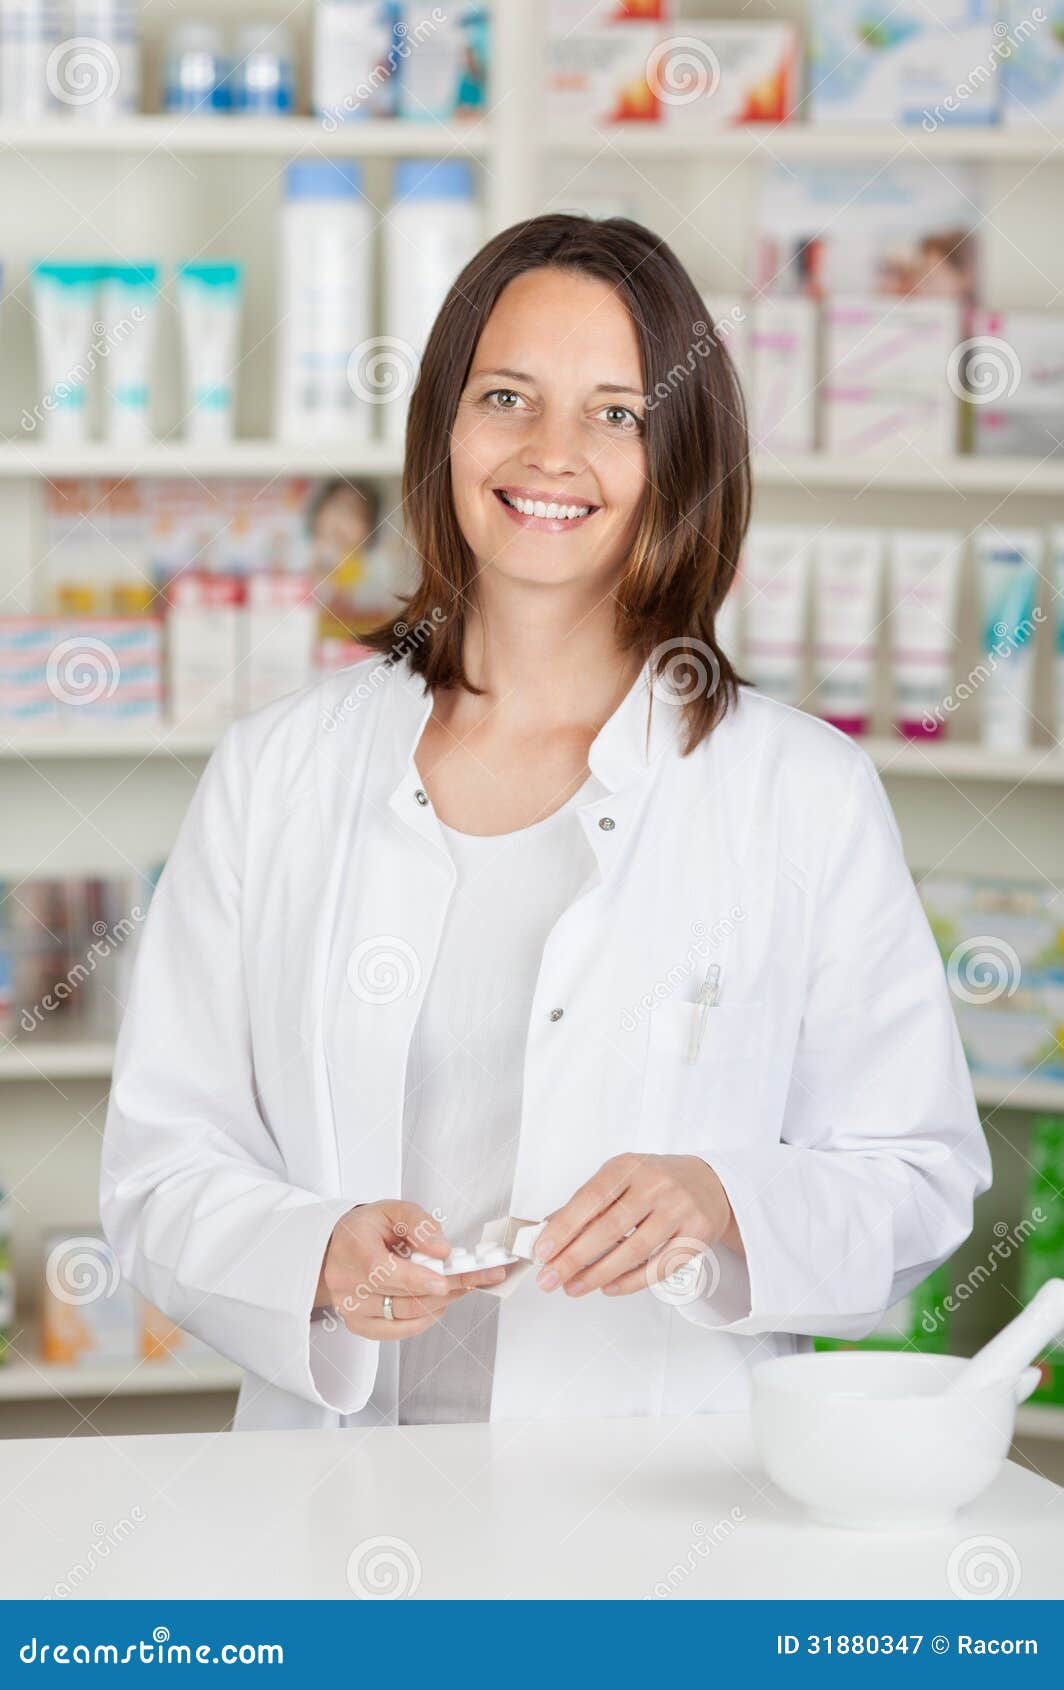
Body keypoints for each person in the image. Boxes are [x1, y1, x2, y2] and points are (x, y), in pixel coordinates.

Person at [101, 214, 990, 1433]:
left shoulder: (799, 794)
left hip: (661, 1524)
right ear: (443, 428)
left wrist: (722, 1199)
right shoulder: (277, 773)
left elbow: (917, 1181)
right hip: (331, 1507)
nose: (550, 452)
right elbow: (160, 1168)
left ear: (680, 457)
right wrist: (308, 1251)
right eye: (506, 396)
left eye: (615, 413)